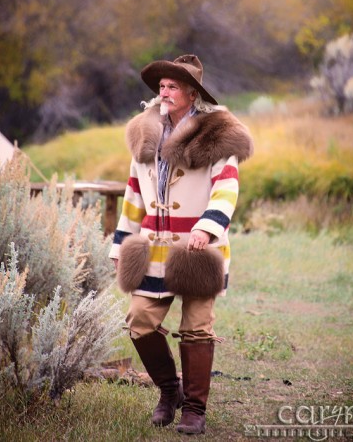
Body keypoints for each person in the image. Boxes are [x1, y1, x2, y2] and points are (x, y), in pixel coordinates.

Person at [109, 54, 254, 435]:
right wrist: (120, 246)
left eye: (173, 86)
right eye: (162, 86)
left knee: (196, 328)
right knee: (140, 321)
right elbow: (133, 195)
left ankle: (194, 411)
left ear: (192, 93)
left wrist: (208, 228)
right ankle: (169, 391)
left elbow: (227, 188)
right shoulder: (144, 133)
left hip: (198, 250)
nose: (165, 92)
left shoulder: (217, 137)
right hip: (153, 249)